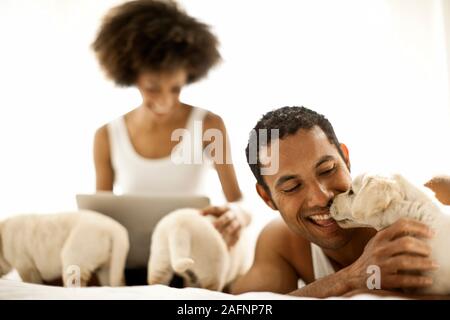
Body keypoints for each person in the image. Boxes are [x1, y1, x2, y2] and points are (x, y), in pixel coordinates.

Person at [91, 0, 250, 285]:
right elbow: (99, 217)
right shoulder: (106, 135)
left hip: (193, 259)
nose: (165, 101)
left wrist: (237, 214)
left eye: (176, 88)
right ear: (132, 75)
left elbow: (236, 199)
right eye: (153, 87)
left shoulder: (208, 125)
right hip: (130, 264)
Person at [229, 106, 449, 298]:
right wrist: (348, 279)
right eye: (292, 187)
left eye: (327, 170)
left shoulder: (434, 197)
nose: (321, 197)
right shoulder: (283, 243)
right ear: (268, 198)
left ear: (345, 157)